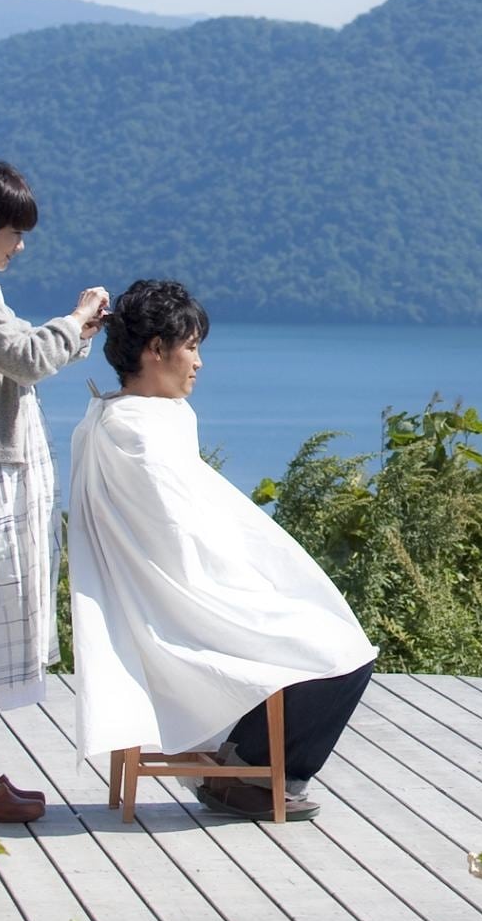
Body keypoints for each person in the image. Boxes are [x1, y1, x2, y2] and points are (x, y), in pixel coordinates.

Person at [67, 279, 376, 821]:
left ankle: (244, 767)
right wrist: (252, 583)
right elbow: (180, 541)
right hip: (177, 607)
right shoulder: (139, 434)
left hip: (161, 597)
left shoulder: (125, 417)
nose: (199, 363)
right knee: (342, 651)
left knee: (328, 635)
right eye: (190, 347)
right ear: (155, 349)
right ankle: (245, 773)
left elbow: (180, 529)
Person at [0, 161, 111, 824]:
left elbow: (25, 354)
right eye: (13, 232)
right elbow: (28, 358)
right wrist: (76, 317)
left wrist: (78, 332)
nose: (20, 245)